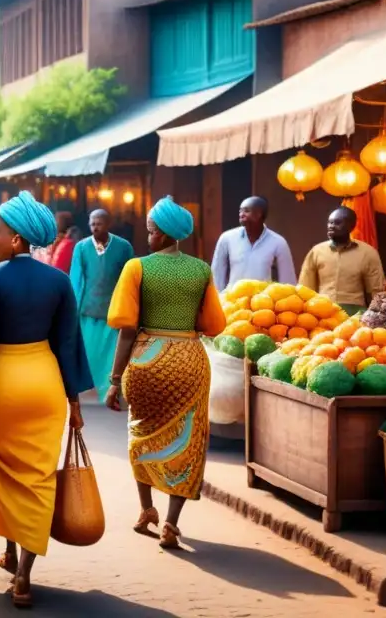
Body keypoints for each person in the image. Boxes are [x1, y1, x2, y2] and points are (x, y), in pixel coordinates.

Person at [0, 191, 91, 608]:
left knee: (7, 472)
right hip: (44, 384)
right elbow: (69, 345)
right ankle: (23, 573)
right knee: (37, 476)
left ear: (16, 239)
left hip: (0, 387)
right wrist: (76, 405)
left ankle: (12, 551)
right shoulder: (59, 282)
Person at [104, 196, 227, 551]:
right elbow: (213, 324)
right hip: (189, 360)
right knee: (188, 440)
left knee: (141, 434)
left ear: (163, 234)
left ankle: (147, 510)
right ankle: (172, 522)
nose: (148, 237)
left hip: (148, 359)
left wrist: (114, 380)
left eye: (151, 231)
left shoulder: (137, 267)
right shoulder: (201, 269)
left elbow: (126, 328)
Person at [70, 209, 134, 401]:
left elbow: (130, 277)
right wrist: (73, 307)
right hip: (88, 310)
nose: (95, 227)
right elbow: (76, 278)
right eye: (92, 224)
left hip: (113, 311)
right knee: (90, 352)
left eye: (98, 223)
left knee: (112, 354)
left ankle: (110, 390)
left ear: (108, 224)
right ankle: (89, 389)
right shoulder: (81, 248)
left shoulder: (123, 247)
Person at [300, 206, 385, 314]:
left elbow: (376, 291)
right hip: (321, 313)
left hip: (355, 316)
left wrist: (375, 318)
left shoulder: (368, 253)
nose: (331, 226)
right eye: (330, 223)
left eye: (337, 223)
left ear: (351, 226)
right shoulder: (316, 251)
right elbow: (305, 288)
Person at [210, 196, 296, 291]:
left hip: (263, 301)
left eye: (246, 211)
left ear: (259, 214)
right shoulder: (226, 238)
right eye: (240, 211)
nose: (241, 214)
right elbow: (217, 275)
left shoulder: (278, 242)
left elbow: (288, 281)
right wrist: (217, 301)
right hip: (233, 301)